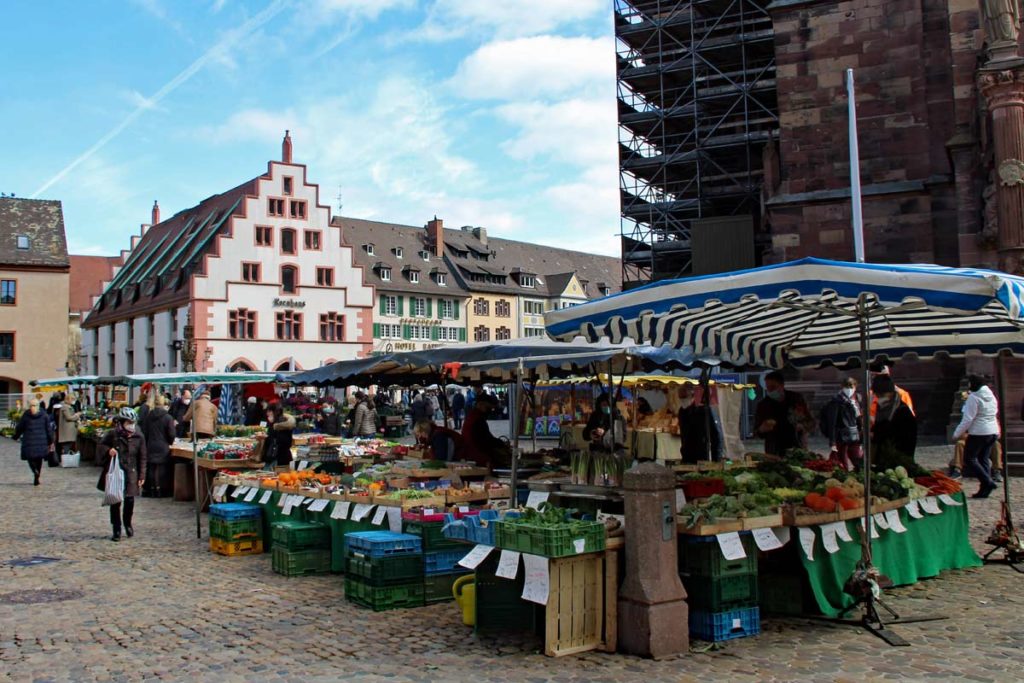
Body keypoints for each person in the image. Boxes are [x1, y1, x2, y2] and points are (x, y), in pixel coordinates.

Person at [98, 407, 147, 541]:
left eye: (133, 422)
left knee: (130, 499)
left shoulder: (139, 436)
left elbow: (143, 457)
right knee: (116, 500)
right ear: (122, 422)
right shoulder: (113, 434)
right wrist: (109, 451)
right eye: (128, 422)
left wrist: (142, 475)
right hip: (116, 470)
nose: (131, 425)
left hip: (131, 471)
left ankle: (127, 522)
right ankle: (116, 528)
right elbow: (101, 447)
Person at [952, 375, 1000, 499]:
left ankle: (988, 482)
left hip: (979, 432)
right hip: (992, 431)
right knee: (983, 459)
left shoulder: (974, 397)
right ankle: (984, 489)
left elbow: (968, 419)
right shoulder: (991, 396)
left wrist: (957, 433)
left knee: (970, 459)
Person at [754, 371, 814, 456]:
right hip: (774, 450)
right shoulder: (763, 405)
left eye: (773, 387)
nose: (770, 390)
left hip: (796, 447)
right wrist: (761, 429)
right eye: (768, 388)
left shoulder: (796, 399)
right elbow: (757, 432)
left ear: (782, 385)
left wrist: (802, 426)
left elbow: (810, 421)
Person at [871, 375, 918, 466]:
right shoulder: (882, 408)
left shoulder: (903, 411)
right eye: (877, 395)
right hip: (882, 460)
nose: (879, 398)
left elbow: (904, 439)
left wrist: (876, 435)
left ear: (891, 393)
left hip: (899, 460)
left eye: (881, 394)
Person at [819, 377, 863, 471]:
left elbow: (859, 418)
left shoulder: (857, 399)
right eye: (846, 386)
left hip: (854, 435)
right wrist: (832, 441)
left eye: (851, 386)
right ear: (842, 387)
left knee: (858, 460)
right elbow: (832, 422)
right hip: (841, 436)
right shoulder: (835, 402)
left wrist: (861, 432)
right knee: (842, 463)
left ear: (855, 387)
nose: (849, 389)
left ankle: (860, 478)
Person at [461, 394, 510, 468]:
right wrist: (501, 444)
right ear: (480, 404)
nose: (490, 411)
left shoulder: (474, 416)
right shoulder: (477, 420)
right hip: (477, 457)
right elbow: (486, 440)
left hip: (473, 454)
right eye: (488, 408)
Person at [141, 395, 176, 498]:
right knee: (162, 468)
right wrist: (170, 442)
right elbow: (171, 433)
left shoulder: (148, 416)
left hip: (151, 444)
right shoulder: (168, 417)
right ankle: (161, 490)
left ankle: (151, 489)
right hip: (163, 445)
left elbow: (145, 431)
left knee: (152, 467)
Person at [14, 398, 54, 486]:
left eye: (33, 405)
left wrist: (15, 436)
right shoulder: (44, 415)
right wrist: (51, 440)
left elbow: (20, 427)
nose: (32, 407)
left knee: (30, 458)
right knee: (38, 459)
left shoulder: (26, 414)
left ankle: (34, 471)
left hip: (29, 442)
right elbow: (49, 430)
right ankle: (37, 475)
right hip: (41, 442)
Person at [677, 384, 722, 463]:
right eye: (680, 397)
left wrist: (716, 458)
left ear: (692, 395)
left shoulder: (702, 410)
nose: (682, 400)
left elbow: (715, 435)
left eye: (684, 397)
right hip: (687, 454)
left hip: (701, 454)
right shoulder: (682, 411)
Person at [57, 392, 81, 457]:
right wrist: (77, 415)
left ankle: (66, 458)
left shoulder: (68, 406)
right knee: (66, 446)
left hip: (69, 430)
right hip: (67, 431)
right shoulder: (65, 407)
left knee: (68, 445)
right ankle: (65, 459)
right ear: (68, 399)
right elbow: (68, 417)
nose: (73, 401)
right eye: (72, 399)